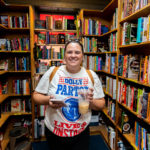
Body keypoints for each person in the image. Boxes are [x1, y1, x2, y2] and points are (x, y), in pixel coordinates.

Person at [32, 39, 105, 150]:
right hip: (54, 133)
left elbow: (101, 104)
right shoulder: (53, 72)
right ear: (64, 56)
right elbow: (35, 96)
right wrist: (48, 100)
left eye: (77, 52)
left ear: (83, 56)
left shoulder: (91, 75)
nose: (73, 55)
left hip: (81, 133)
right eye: (69, 52)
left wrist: (91, 101)